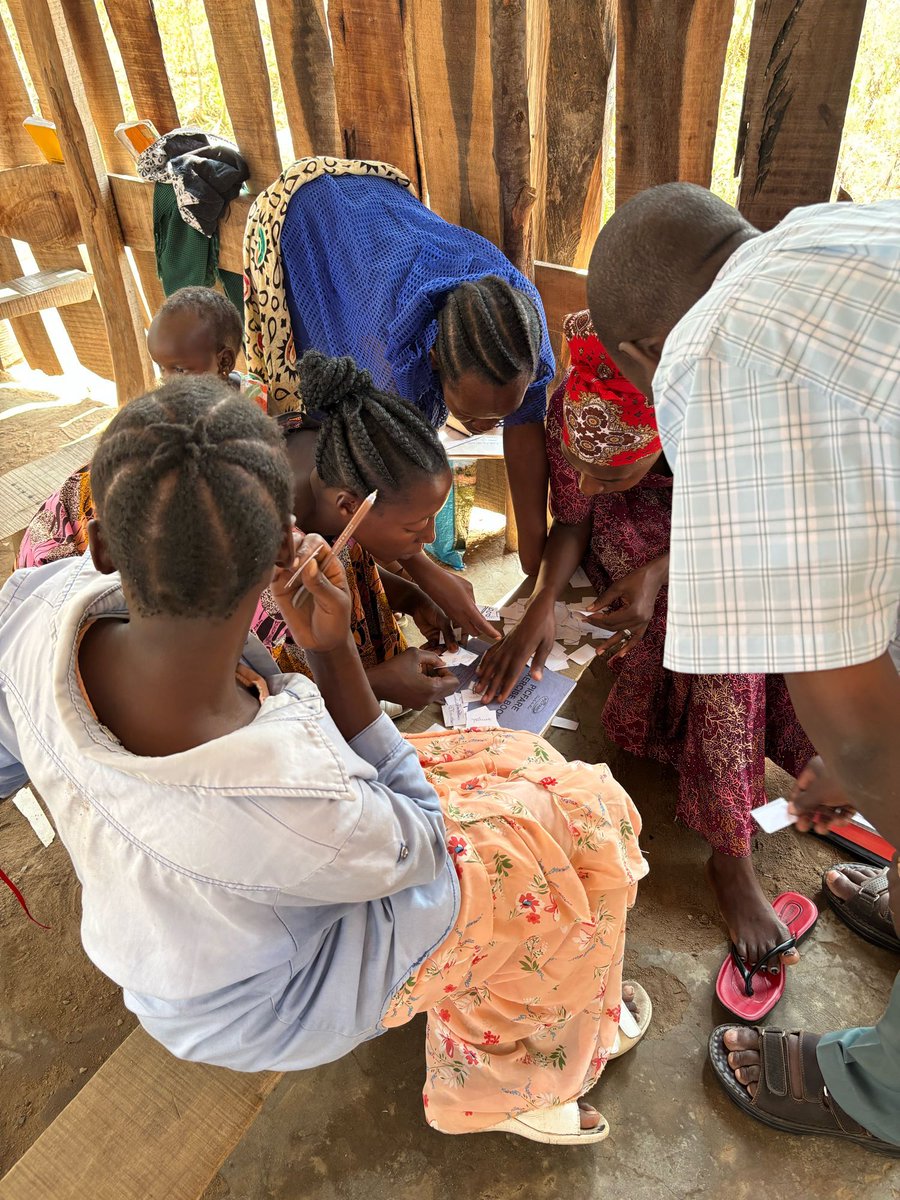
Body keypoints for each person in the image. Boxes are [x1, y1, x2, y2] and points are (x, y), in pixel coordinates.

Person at [0, 378, 649, 1144]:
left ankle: (564, 998)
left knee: (521, 764)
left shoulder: (42, 606)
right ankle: (518, 1081)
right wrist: (333, 653)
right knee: (561, 848)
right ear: (283, 545)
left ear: (103, 540)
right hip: (273, 996)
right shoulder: (283, 785)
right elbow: (419, 843)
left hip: (176, 942)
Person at [587, 184, 899, 1155]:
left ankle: (878, 1090)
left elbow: (852, 713)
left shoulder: (711, 351)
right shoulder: (829, 231)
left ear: (641, 353)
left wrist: (863, 764)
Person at [476, 308, 816, 979]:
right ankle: (696, 772)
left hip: (719, 530)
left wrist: (661, 575)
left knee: (723, 620)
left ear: (663, 438)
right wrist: (540, 605)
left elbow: (751, 524)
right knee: (659, 602)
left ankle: (731, 854)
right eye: (582, 469)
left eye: (613, 473)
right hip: (630, 531)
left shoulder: (723, 419)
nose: (589, 484)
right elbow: (574, 519)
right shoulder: (575, 409)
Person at [18, 348, 463, 713]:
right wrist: (375, 683)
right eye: (417, 525)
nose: (427, 539)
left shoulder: (322, 456)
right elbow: (245, 700)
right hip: (77, 564)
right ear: (350, 506)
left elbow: (342, 552)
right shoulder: (253, 550)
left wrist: (410, 594)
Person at [243, 156, 555, 619]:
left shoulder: (517, 337)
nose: (487, 426)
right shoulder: (385, 355)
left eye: (500, 413)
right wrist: (424, 575)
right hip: (304, 221)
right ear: (432, 361)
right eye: (471, 414)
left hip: (383, 223)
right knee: (332, 454)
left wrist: (538, 580)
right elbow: (376, 483)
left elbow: (525, 430)